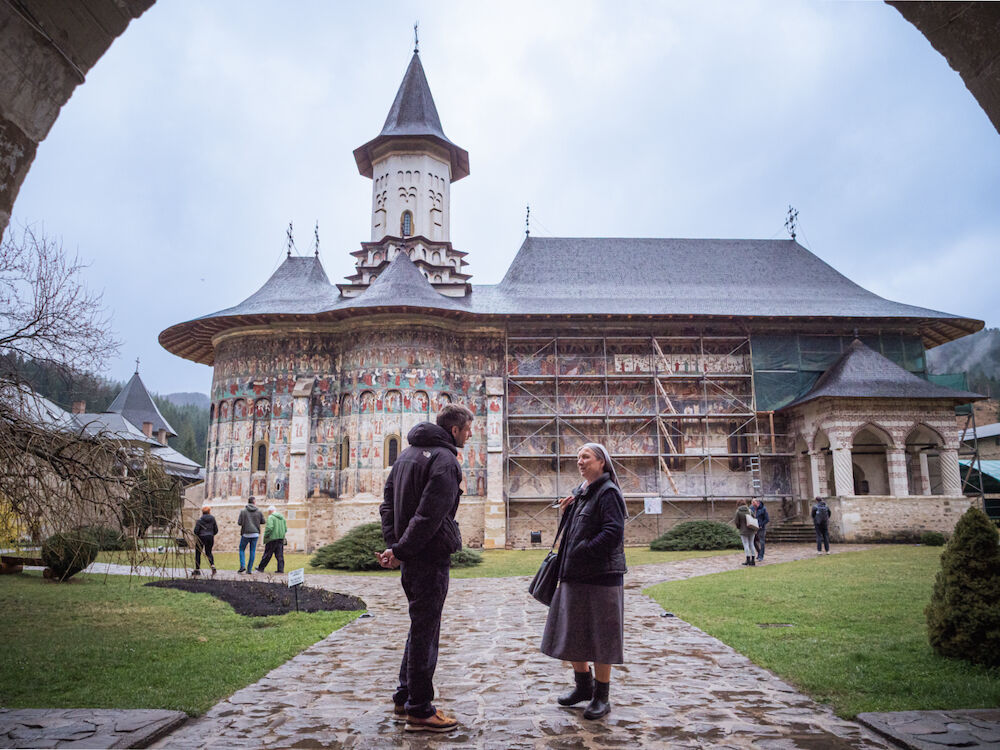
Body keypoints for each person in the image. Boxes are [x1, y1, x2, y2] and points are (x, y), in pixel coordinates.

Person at [377, 403, 474, 733]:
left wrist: (395, 546)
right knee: (425, 631)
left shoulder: (405, 455)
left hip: (411, 557)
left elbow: (387, 503)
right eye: (467, 429)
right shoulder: (446, 461)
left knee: (419, 625)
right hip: (429, 557)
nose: (470, 434)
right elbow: (430, 516)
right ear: (454, 430)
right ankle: (420, 709)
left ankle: (405, 695)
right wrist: (401, 549)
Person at [541, 442, 626, 721]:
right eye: (578, 457)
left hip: (601, 576)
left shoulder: (608, 492)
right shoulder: (582, 492)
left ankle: (602, 696)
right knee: (573, 631)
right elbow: (578, 529)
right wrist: (569, 511)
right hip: (574, 574)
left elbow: (613, 531)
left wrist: (585, 551)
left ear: (601, 462)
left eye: (586, 457)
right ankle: (583, 687)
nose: (580, 461)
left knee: (602, 637)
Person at [237, 497, 264, 573]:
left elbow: (239, 523)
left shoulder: (243, 511)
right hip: (255, 533)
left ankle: (242, 566)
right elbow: (263, 521)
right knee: (252, 551)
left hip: (246, 533)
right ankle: (249, 570)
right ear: (254, 502)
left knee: (242, 549)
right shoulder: (258, 511)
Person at [256, 505, 286, 573]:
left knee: (267, 554)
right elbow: (285, 528)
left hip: (272, 538)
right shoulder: (282, 518)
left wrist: (266, 535)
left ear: (270, 511)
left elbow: (269, 527)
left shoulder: (271, 517)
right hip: (280, 538)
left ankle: (261, 568)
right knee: (279, 554)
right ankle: (280, 569)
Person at [192, 504, 218, 576]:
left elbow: (196, 531)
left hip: (201, 537)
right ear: (209, 512)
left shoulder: (200, 520)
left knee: (198, 553)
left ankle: (197, 569)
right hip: (210, 537)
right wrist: (211, 534)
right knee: (209, 552)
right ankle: (212, 565)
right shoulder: (213, 519)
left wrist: (198, 534)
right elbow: (216, 529)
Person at [734, 500, 757, 566]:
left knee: (746, 545)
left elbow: (736, 522)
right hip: (751, 530)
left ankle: (748, 560)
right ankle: (753, 560)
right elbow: (754, 518)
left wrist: (739, 527)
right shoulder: (749, 510)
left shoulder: (738, 511)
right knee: (751, 544)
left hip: (743, 530)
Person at [752, 497, 769, 563]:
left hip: (761, 528)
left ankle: (761, 556)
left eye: (753, 502)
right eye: (752, 502)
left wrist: (761, 525)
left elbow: (767, 519)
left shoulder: (763, 509)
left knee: (762, 542)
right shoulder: (752, 509)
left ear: (757, 502)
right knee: (753, 541)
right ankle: (759, 552)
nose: (752, 504)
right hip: (754, 528)